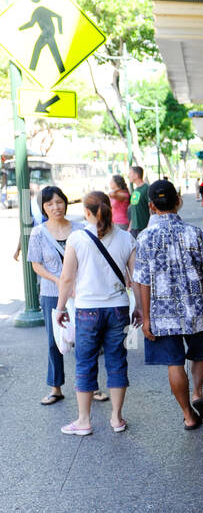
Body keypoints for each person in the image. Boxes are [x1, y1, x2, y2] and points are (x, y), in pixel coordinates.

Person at [132, 179, 203, 431]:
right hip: (197, 308)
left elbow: (143, 282)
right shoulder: (197, 234)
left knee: (174, 363)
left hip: (162, 315)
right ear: (179, 201)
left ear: (151, 206)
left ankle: (188, 416)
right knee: (199, 352)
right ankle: (197, 392)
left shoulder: (144, 238)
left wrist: (146, 318)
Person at [56, 191, 137, 436]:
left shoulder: (77, 238)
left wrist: (60, 308)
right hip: (118, 308)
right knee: (116, 360)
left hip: (87, 309)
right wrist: (142, 309)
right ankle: (117, 417)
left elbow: (67, 277)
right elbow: (136, 279)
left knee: (85, 362)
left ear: (88, 213)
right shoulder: (126, 238)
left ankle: (83, 420)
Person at [26, 185, 72, 405]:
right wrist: (58, 280)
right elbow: (36, 265)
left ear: (65, 202)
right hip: (51, 293)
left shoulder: (80, 229)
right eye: (50, 204)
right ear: (43, 208)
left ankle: (93, 387)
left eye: (59, 202)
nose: (56, 207)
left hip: (80, 293)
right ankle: (56, 387)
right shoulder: (38, 232)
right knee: (54, 341)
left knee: (87, 340)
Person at [128, 165, 150, 239]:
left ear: (136, 175)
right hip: (134, 229)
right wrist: (130, 228)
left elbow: (152, 210)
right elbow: (133, 211)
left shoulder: (146, 189)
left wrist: (148, 227)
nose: (128, 175)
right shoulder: (135, 190)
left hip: (144, 228)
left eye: (130, 173)